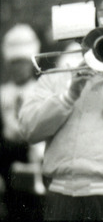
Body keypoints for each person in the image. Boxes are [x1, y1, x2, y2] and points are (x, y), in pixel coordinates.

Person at [18, 0, 103, 221]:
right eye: (97, 37)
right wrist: (69, 95)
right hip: (63, 193)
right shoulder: (60, 74)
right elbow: (29, 130)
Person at [0, 23, 45, 221]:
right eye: (15, 63)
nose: (19, 68)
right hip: (8, 160)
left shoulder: (41, 91)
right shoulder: (3, 94)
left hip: (37, 160)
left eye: (23, 62)